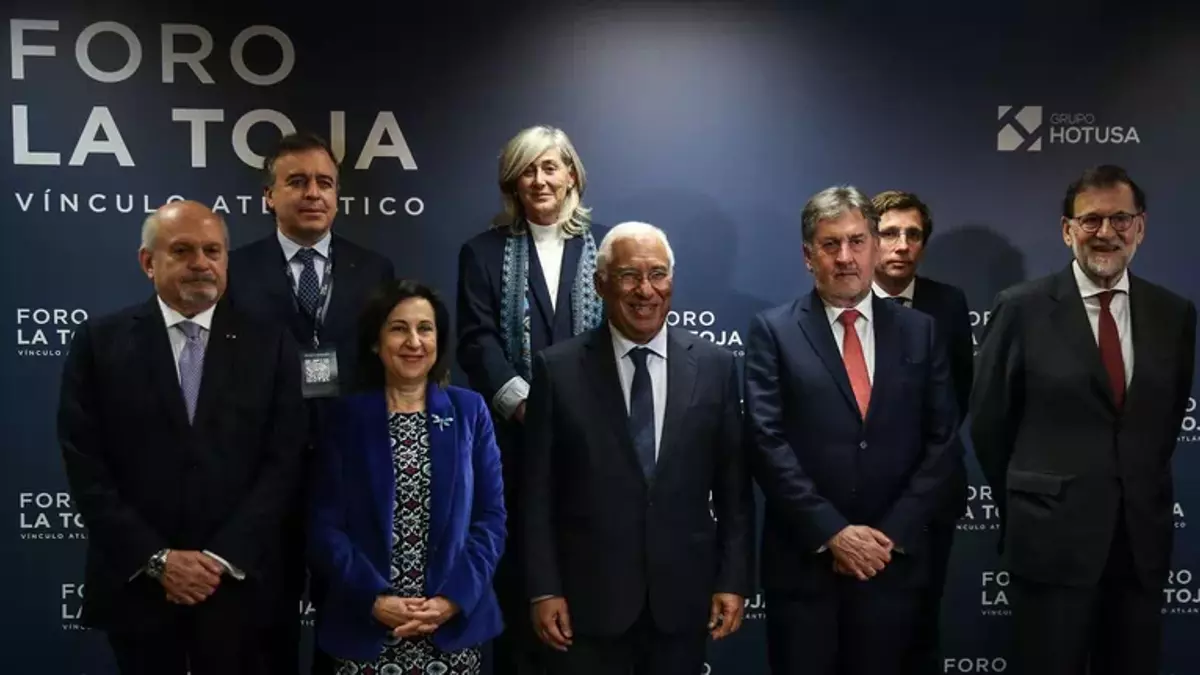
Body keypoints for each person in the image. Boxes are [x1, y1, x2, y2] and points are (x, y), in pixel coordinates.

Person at [57, 200, 308, 674]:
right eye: (183, 250)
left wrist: (219, 558)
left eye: (213, 250)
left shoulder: (270, 345)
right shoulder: (99, 342)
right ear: (148, 262)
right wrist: (157, 559)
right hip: (140, 587)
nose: (201, 263)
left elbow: (284, 460)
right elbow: (85, 463)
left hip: (239, 585)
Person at [972, 165, 1197, 675]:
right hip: (1050, 543)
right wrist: (1033, 500)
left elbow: (1162, 424)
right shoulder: (1020, 309)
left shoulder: (1174, 314)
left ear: (1140, 227)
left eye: (1120, 219)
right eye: (1091, 220)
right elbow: (990, 425)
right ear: (1067, 230)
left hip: (1140, 546)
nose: (1106, 233)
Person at [744, 186, 960, 675]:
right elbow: (765, 439)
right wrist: (834, 533)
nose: (846, 257)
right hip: (806, 568)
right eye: (830, 244)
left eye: (857, 241)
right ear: (807, 256)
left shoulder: (919, 331)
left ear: (874, 247)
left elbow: (943, 439)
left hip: (894, 567)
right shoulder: (773, 331)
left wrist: (888, 536)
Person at [522, 222, 754, 675]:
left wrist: (733, 579)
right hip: (589, 604)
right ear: (601, 284)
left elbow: (734, 491)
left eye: (658, 274)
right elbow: (537, 494)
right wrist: (544, 589)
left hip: (683, 603)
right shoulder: (558, 370)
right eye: (629, 275)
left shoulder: (716, 367)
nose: (645, 290)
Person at [225, 131, 395, 674]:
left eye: (324, 182)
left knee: (345, 627)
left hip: (349, 477)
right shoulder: (234, 269)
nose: (313, 193)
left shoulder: (374, 271)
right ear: (268, 196)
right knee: (263, 630)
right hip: (263, 477)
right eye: (296, 182)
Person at [456, 125, 607, 675]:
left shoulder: (609, 248)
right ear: (513, 183)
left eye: (551, 167)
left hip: (596, 447)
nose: (540, 180)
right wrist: (523, 403)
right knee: (522, 590)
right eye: (528, 169)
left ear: (572, 174)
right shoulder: (482, 252)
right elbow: (476, 340)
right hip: (513, 445)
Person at [308, 279, 506, 675]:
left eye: (425, 328)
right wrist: (375, 600)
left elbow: (490, 519)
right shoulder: (346, 418)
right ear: (375, 342)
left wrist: (452, 599)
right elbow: (324, 524)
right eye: (399, 328)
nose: (413, 341)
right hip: (367, 626)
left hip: (449, 628)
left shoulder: (470, 411)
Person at [870, 189, 972, 674]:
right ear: (869, 239)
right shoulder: (838, 305)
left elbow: (960, 398)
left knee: (920, 633)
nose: (902, 245)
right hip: (859, 503)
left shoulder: (948, 304)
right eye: (890, 233)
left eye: (913, 235)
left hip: (932, 500)